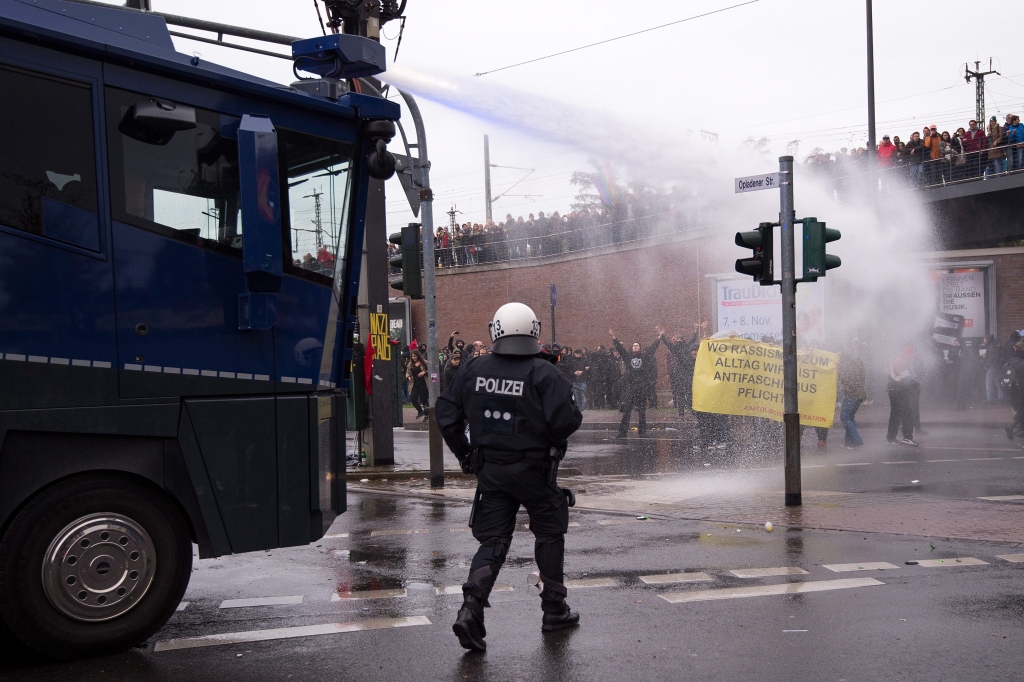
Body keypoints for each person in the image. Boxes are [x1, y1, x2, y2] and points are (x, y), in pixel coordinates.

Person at [435, 303, 583, 652]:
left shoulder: (474, 369)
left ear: (495, 330)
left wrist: (466, 455)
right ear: (534, 330)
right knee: (549, 533)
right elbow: (567, 421)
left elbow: (445, 413)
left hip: (492, 473)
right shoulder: (545, 373)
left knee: (494, 542)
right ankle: (553, 610)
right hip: (536, 471)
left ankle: (470, 610)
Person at [609, 329, 661, 437]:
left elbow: (652, 348)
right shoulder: (628, 357)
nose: (636, 347)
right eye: (634, 346)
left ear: (640, 348)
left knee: (642, 409)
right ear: (632, 348)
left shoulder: (644, 357)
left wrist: (659, 338)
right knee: (627, 409)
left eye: (637, 346)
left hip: (641, 386)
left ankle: (642, 431)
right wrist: (614, 337)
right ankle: (623, 431)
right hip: (631, 385)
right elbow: (620, 349)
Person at [886, 346, 919, 446]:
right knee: (908, 413)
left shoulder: (899, 360)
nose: (912, 358)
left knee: (895, 415)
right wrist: (916, 383)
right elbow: (905, 378)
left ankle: (891, 438)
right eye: (912, 356)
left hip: (894, 390)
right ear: (908, 355)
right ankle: (907, 437)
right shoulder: (901, 361)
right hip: (898, 391)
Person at [839, 340, 866, 448]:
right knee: (850, 417)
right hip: (859, 394)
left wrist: (840, 369)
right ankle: (849, 443)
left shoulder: (847, 366)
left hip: (852, 395)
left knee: (844, 417)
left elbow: (846, 380)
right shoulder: (857, 363)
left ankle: (857, 440)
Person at [407, 350, 429, 420]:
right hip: (414, 384)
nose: (414, 358)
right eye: (412, 356)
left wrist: (424, 372)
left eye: (415, 356)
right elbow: (407, 372)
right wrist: (408, 377)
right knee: (413, 398)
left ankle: (426, 414)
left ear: (418, 356)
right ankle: (420, 411)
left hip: (423, 383)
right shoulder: (410, 364)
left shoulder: (424, 362)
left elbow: (431, 370)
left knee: (424, 400)